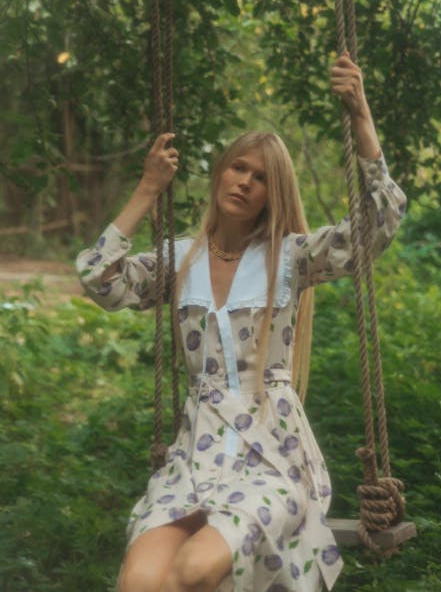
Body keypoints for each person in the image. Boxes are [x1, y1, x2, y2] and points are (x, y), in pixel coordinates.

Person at [76, 53, 406, 592]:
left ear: (272, 194)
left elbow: (378, 227)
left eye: (261, 178)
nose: (246, 182)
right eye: (239, 168)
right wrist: (148, 189)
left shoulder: (290, 257)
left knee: (197, 568)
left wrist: (362, 118)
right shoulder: (177, 262)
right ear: (220, 172)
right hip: (194, 458)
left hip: (271, 457)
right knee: (140, 579)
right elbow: (98, 279)